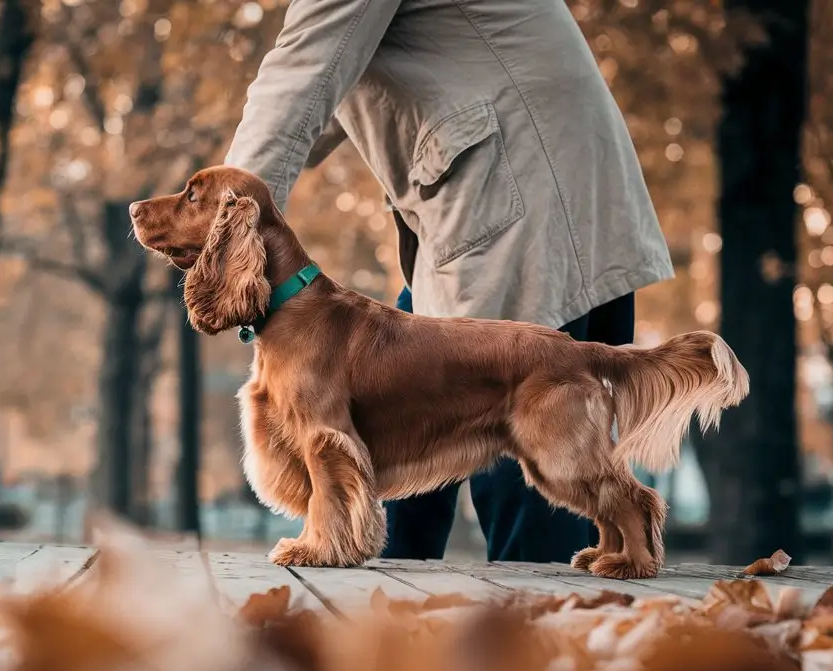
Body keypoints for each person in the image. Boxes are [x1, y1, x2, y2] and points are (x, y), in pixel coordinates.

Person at [222, 0, 674, 563]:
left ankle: (544, 636)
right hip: (564, 184)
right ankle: (387, 613)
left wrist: (225, 221)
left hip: (515, 197)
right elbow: (315, 104)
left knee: (526, 438)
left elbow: (300, 76)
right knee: (398, 411)